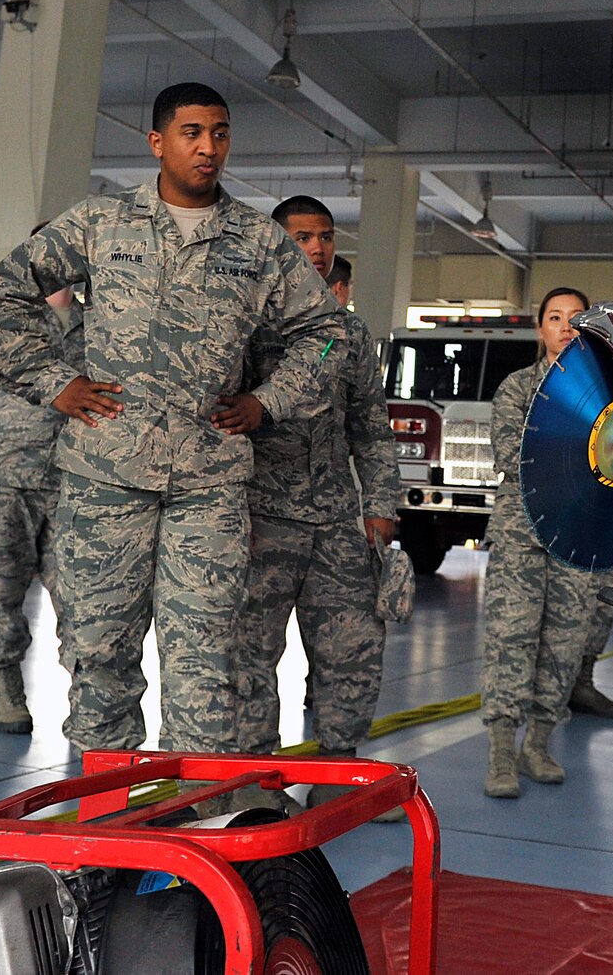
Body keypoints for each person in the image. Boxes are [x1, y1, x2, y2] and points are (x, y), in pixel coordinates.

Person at [0, 82, 343, 755]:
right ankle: (105, 831)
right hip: (103, 478)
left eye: (221, 133)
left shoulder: (259, 242)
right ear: (158, 142)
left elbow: (325, 334)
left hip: (209, 484)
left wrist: (270, 401)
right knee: (99, 658)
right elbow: (4, 293)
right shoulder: (100, 222)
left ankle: (193, 829)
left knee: (204, 665)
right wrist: (56, 383)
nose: (209, 148)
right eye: (192, 133)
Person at [235, 199, 402, 806]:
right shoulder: (242, 322)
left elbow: (371, 428)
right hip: (261, 517)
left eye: (326, 237)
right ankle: (251, 786)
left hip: (335, 518)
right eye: (302, 237)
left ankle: (337, 775)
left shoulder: (347, 332)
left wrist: (378, 507)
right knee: (249, 655)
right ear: (273, 243)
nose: (317, 248)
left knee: (352, 649)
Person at [479, 286, 606, 799]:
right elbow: (514, 454)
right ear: (541, 328)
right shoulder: (516, 388)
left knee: (565, 641)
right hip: (521, 532)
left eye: (577, 317)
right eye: (555, 317)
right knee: (511, 638)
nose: (566, 326)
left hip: (579, 536)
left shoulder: (607, 393)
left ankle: (539, 744)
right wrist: (581, 458)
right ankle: (502, 753)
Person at [0, 257, 83, 734]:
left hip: (74, 483)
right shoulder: (9, 319)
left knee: (83, 597)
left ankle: (87, 703)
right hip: (5, 478)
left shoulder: (99, 328)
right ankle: (8, 691)